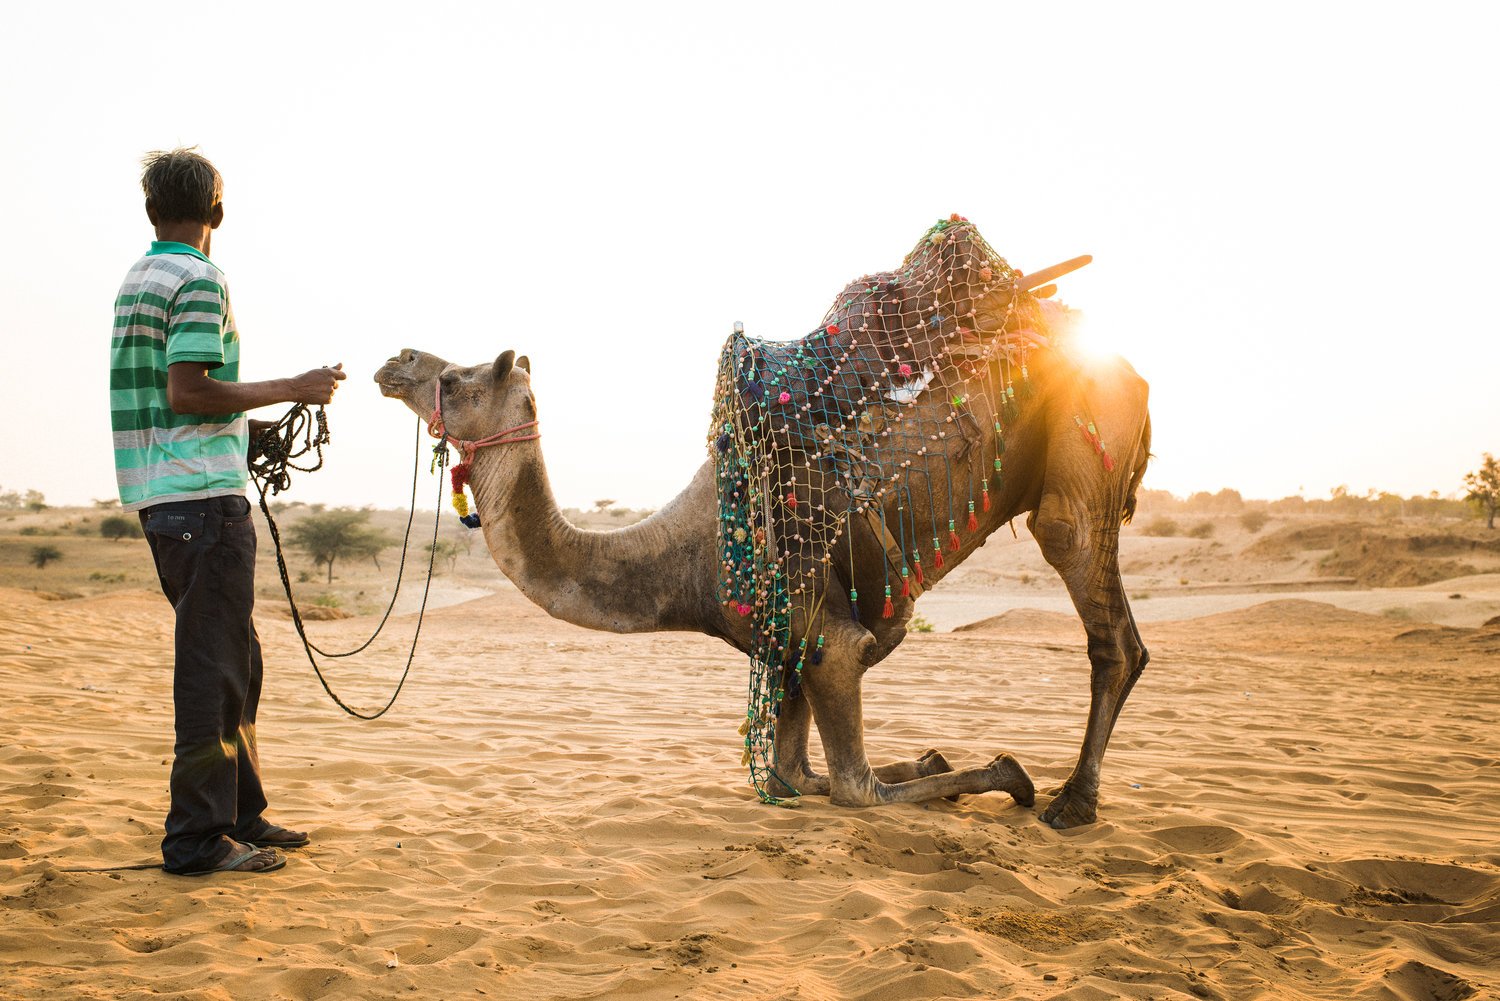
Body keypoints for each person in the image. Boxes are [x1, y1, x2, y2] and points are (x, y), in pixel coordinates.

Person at [110, 148, 346, 876]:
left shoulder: (140, 276)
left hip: (167, 492)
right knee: (212, 670)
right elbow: (190, 390)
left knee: (238, 659)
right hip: (202, 502)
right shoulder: (200, 276)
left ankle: (242, 813)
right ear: (218, 210)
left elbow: (173, 398)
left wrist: (248, 429)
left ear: (153, 210)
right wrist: (294, 387)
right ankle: (196, 839)